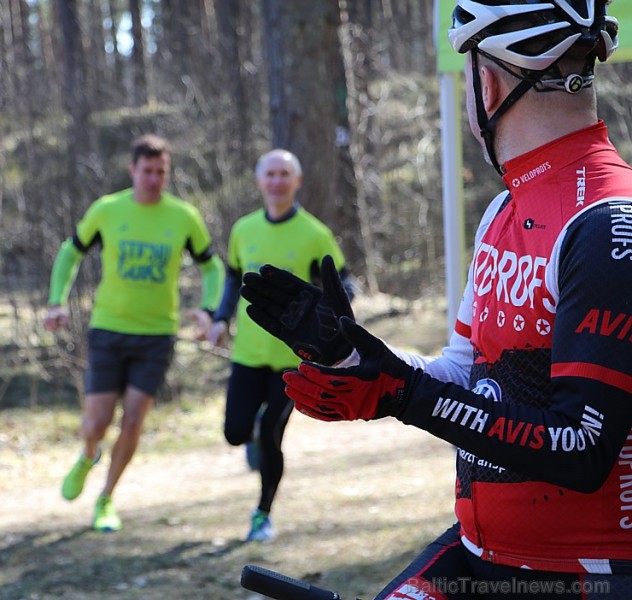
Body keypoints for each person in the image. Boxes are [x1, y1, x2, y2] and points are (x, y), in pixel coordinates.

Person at [241, 1, 632, 597]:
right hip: (481, 554)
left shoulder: (607, 222)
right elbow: (464, 375)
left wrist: (402, 391)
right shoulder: (505, 209)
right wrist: (354, 359)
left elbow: (580, 445)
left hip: (587, 577)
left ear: (489, 82)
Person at [44, 134, 224, 532]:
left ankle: (106, 499)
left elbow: (212, 267)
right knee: (96, 422)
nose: (155, 179)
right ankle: (89, 454)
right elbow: (70, 251)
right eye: (148, 171)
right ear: (133, 170)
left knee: (133, 422)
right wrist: (57, 300)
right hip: (108, 329)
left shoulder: (183, 217)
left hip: (157, 336)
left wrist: (208, 310)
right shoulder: (107, 210)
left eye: (162, 172)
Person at [207, 148, 354, 542]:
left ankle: (263, 513)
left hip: (294, 359)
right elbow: (231, 279)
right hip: (247, 356)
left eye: (284, 174)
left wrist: (332, 323)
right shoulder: (243, 229)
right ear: (260, 181)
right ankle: (249, 439)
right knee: (236, 433)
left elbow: (344, 286)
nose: (276, 181)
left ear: (297, 181)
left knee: (271, 429)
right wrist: (221, 319)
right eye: (270, 174)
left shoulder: (315, 234)